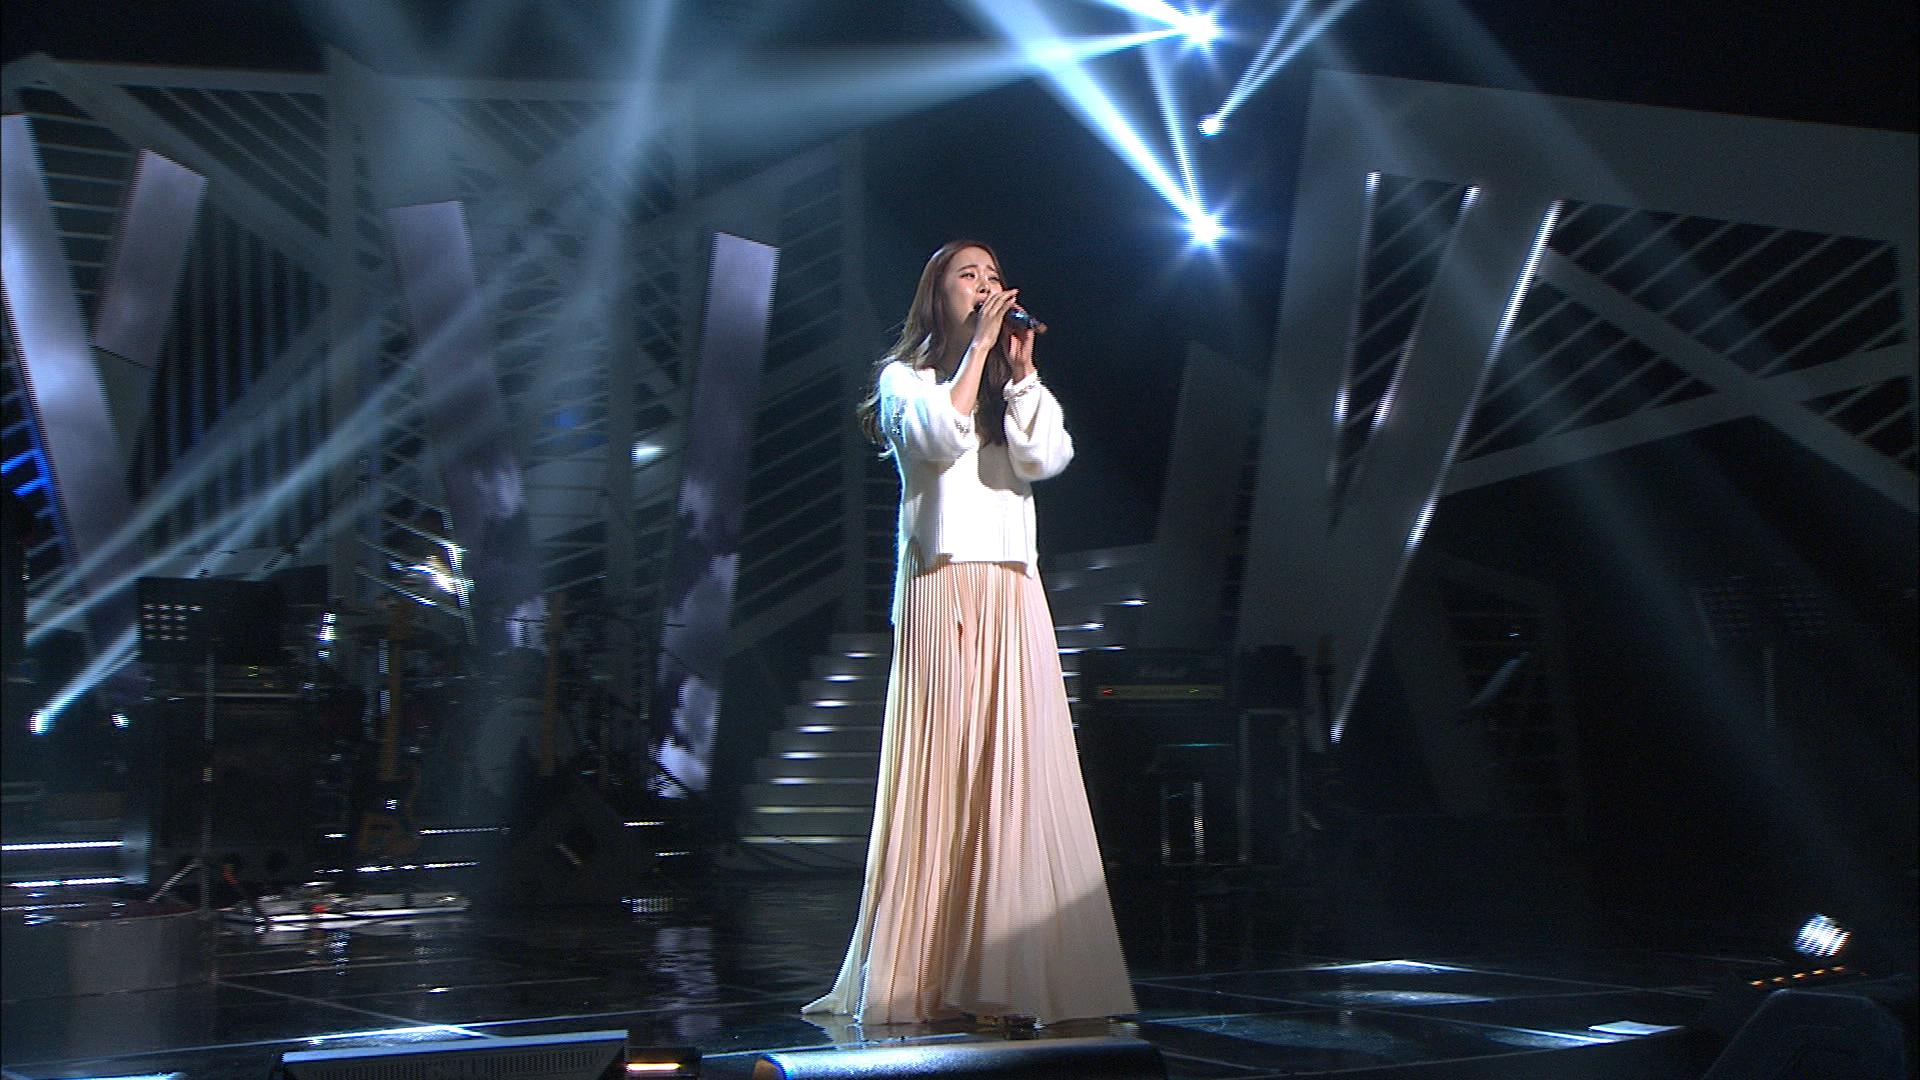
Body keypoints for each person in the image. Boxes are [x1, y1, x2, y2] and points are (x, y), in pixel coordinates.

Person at [804, 240, 1136, 1025]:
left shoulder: (1004, 387)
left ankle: (1009, 976)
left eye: (993, 276)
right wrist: (979, 350)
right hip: (942, 582)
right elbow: (935, 440)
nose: (986, 286)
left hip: (1013, 585)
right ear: (938, 296)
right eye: (969, 276)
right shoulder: (905, 380)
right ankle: (928, 973)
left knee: (1017, 774)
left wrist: (1019, 373)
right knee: (946, 774)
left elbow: (1046, 456)